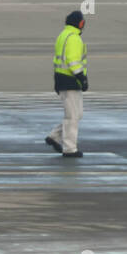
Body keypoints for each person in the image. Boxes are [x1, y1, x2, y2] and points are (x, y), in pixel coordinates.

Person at [46, 10, 88, 158]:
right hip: (70, 80)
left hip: (61, 79)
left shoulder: (63, 35)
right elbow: (73, 61)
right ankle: (70, 149)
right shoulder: (74, 38)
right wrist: (81, 78)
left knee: (76, 114)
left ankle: (55, 136)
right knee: (72, 116)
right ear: (80, 23)